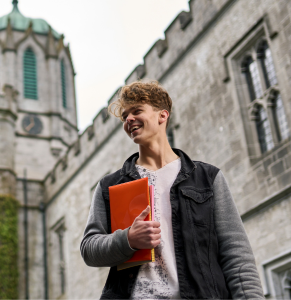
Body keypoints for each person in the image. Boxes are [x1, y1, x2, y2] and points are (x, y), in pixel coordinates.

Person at [80, 81, 264, 299]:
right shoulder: (109, 186)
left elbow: (237, 255)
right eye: (125, 116)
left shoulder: (207, 177)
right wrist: (128, 239)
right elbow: (89, 249)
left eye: (137, 111)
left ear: (162, 116)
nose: (128, 119)